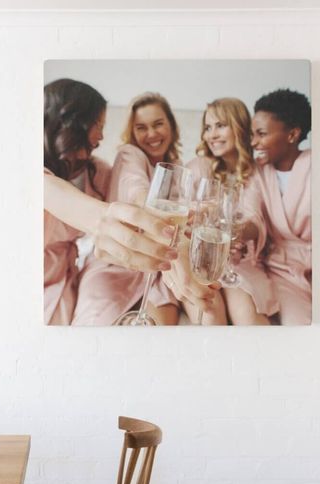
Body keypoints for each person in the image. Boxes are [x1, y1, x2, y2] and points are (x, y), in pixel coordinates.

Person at [43, 79, 178, 325]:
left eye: (158, 124)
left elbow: (127, 187)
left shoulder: (98, 172)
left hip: (65, 275)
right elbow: (51, 191)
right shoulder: (34, 175)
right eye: (98, 125)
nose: (103, 135)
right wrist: (106, 220)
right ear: (75, 124)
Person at [73, 92, 214, 325]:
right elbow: (134, 187)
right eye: (141, 127)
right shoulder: (129, 154)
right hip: (116, 260)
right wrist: (150, 205)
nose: (151, 134)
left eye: (158, 124)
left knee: (159, 330)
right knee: (93, 325)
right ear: (132, 131)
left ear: (171, 124)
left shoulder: (178, 168)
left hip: (159, 267)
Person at [184, 98, 278, 325]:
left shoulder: (258, 173)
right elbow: (181, 217)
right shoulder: (198, 166)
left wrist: (235, 231)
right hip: (197, 260)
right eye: (207, 128)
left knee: (248, 320)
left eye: (220, 125)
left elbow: (255, 221)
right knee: (210, 317)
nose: (212, 135)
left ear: (240, 127)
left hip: (239, 264)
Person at [251, 89, 312, 325]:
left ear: (292, 134)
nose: (253, 142)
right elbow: (250, 213)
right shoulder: (257, 173)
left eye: (261, 134)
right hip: (283, 272)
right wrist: (238, 228)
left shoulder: (319, 165)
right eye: (252, 134)